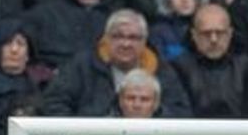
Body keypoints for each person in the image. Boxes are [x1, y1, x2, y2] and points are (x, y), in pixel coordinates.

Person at [42, 8, 192, 118]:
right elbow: (54, 103)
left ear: (144, 42)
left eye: (133, 38)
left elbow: (181, 113)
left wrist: (152, 114)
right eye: (118, 36)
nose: (125, 44)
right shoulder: (82, 65)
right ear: (106, 39)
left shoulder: (162, 70)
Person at [170, 3, 248, 119]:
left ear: (230, 34)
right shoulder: (178, 68)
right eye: (206, 33)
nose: (213, 39)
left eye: (219, 33)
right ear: (194, 35)